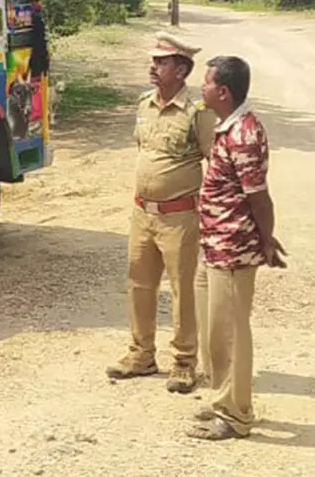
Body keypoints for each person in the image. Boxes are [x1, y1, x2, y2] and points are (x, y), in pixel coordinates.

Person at [106, 32, 216, 392]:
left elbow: (214, 162)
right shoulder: (144, 105)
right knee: (139, 283)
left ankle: (184, 362)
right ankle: (140, 354)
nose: (153, 67)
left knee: (183, 289)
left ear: (181, 70)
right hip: (143, 215)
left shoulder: (198, 114)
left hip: (180, 217)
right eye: (153, 61)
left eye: (162, 62)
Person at [186, 54, 286, 441]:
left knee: (230, 332)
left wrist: (266, 240)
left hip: (232, 249)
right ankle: (221, 399)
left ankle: (236, 414)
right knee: (212, 331)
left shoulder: (243, 134)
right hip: (212, 244)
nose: (202, 88)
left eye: (206, 83)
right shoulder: (228, 126)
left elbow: (259, 199)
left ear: (223, 92)